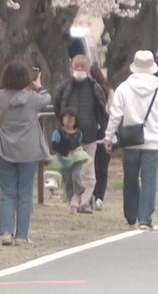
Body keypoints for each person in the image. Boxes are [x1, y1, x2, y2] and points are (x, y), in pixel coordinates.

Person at [104, 50, 158, 231]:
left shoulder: (124, 88)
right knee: (149, 180)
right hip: (152, 141)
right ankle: (145, 219)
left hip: (130, 140)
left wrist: (109, 136)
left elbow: (115, 115)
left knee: (130, 177)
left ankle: (131, 214)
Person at [0, 60, 51, 245]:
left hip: (5, 148)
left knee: (7, 192)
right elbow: (47, 99)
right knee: (25, 193)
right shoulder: (33, 98)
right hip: (28, 150)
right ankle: (22, 235)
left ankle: (6, 232)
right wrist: (38, 87)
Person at [53, 55, 108, 213]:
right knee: (70, 170)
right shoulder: (64, 87)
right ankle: (72, 199)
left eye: (83, 66)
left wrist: (101, 130)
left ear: (89, 68)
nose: (79, 69)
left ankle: (84, 202)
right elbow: (57, 106)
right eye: (76, 66)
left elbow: (101, 109)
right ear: (71, 68)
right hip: (68, 137)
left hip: (89, 136)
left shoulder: (95, 87)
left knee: (88, 172)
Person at [50, 108, 90, 214]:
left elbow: (78, 144)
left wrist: (78, 149)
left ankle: (77, 193)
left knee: (76, 175)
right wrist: (66, 152)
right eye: (67, 117)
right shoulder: (58, 132)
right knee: (67, 181)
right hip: (63, 160)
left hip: (77, 158)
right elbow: (54, 145)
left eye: (72, 118)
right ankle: (72, 201)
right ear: (62, 119)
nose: (69, 120)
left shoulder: (78, 133)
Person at [88, 66, 112, 211]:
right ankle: (94, 196)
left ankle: (98, 197)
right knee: (95, 168)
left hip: (102, 133)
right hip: (95, 134)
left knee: (100, 168)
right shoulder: (84, 92)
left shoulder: (107, 92)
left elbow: (111, 112)